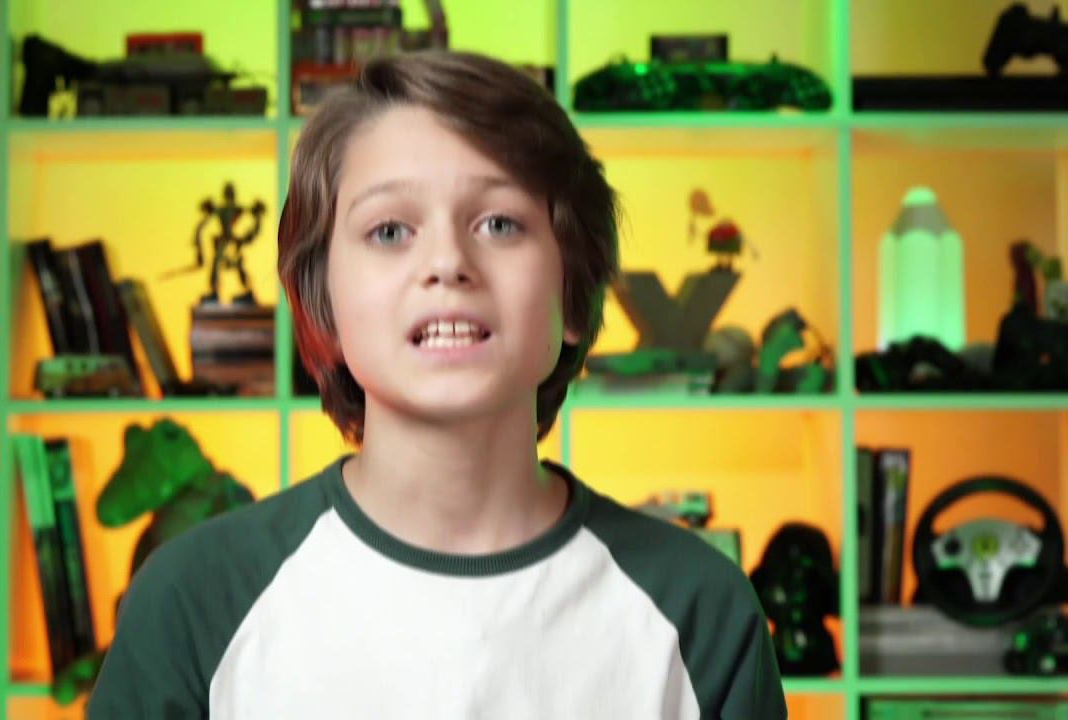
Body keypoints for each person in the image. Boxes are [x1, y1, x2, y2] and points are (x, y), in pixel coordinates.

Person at [87, 50, 786, 719]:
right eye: (390, 231)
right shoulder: (191, 604)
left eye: (500, 224)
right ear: (323, 302)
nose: (448, 262)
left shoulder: (699, 610)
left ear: (573, 295)